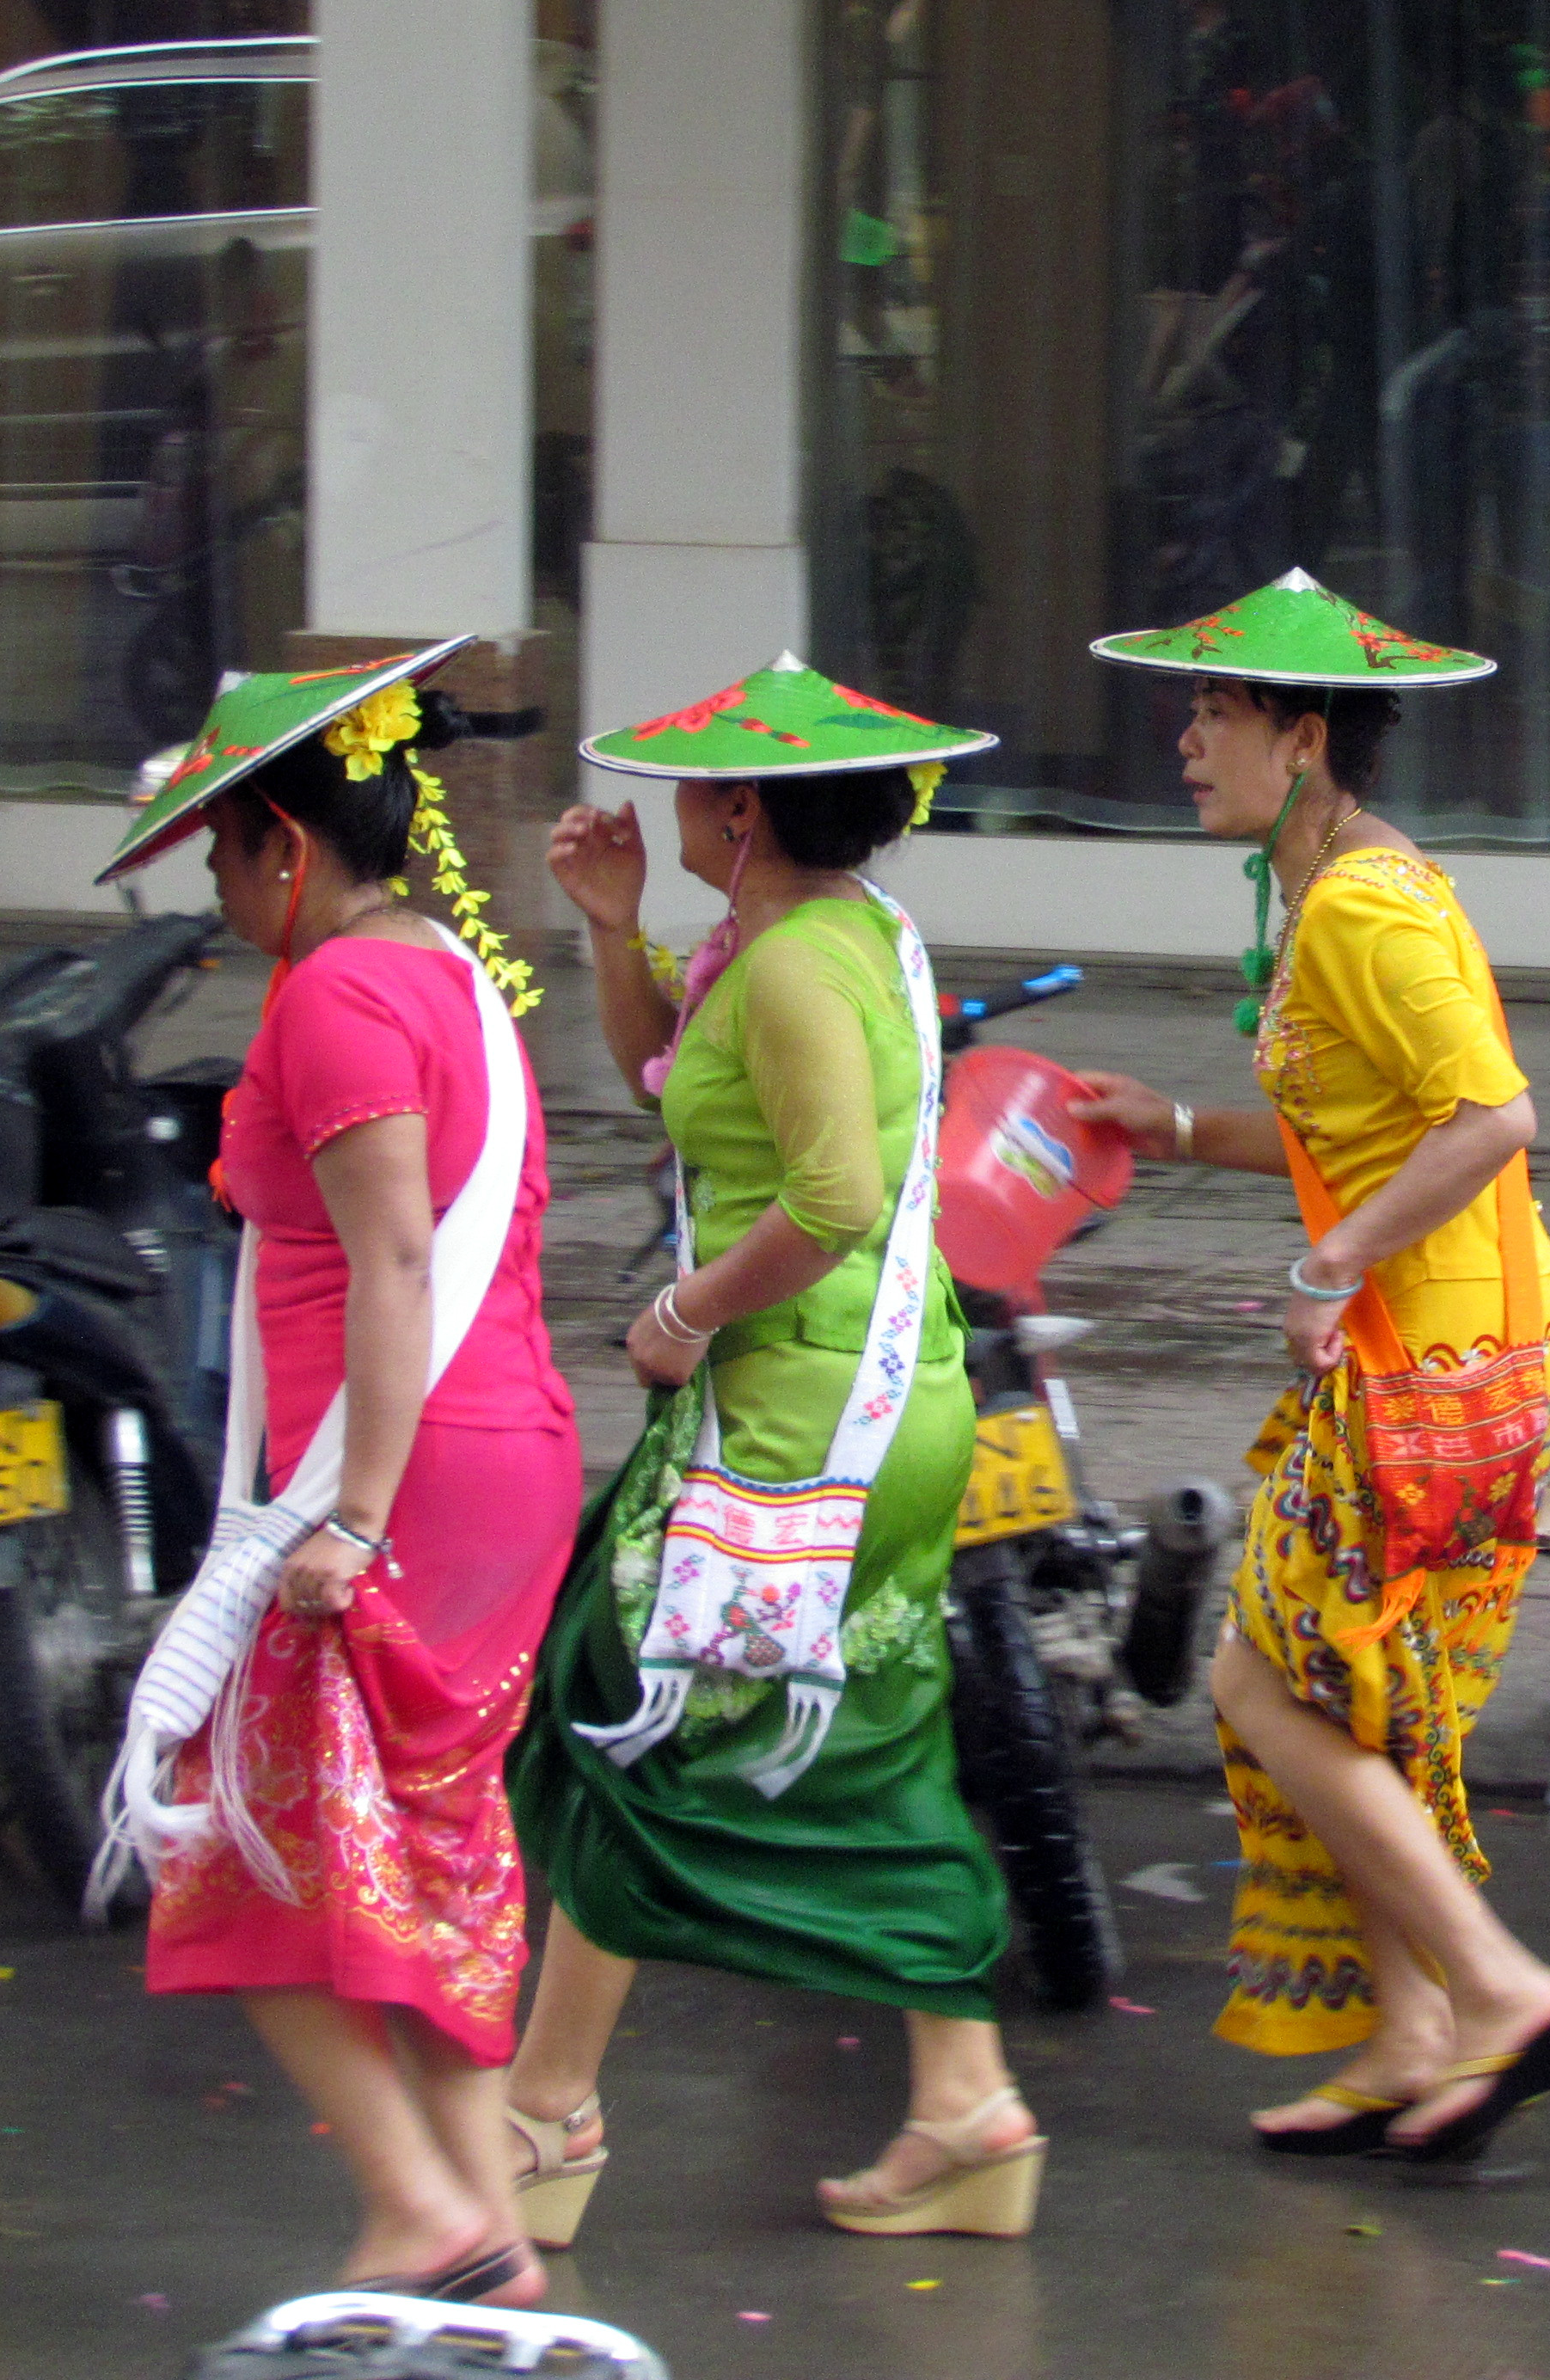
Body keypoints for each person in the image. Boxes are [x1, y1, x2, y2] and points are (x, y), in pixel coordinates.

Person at [504, 654, 1042, 2242]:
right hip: (848, 1404)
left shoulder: (803, 968)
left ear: (743, 811)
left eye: (693, 791)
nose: (667, 809)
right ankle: (965, 2106)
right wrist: (613, 931)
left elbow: (829, 1203)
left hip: (808, 1419)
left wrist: (679, 1313)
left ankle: (544, 2114)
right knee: (849, 1735)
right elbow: (674, 1077)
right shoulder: (819, 937)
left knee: (639, 1719)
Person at [1063, 569, 1550, 2163]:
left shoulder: (1363, 903)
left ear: (1300, 739)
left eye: (1213, 713)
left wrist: (1329, 1265)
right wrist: (1173, 1129)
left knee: (1264, 1681)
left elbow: (1492, 1117)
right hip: (1442, 1342)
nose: (1183, 741)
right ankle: (1416, 2032)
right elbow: (1350, 1136)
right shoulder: (1342, 889)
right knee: (1354, 1703)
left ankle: (1495, 1989)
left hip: (1431, 1361)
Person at [91, 643, 578, 2308]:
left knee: (236, 1845)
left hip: (401, 1472)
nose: (220, 886)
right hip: (494, 1455)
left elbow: (391, 1266)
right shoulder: (446, 971)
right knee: (424, 1851)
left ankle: (415, 2208)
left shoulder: (344, 996)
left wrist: (350, 1518)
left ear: (284, 849)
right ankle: (480, 2221)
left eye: (225, 849)